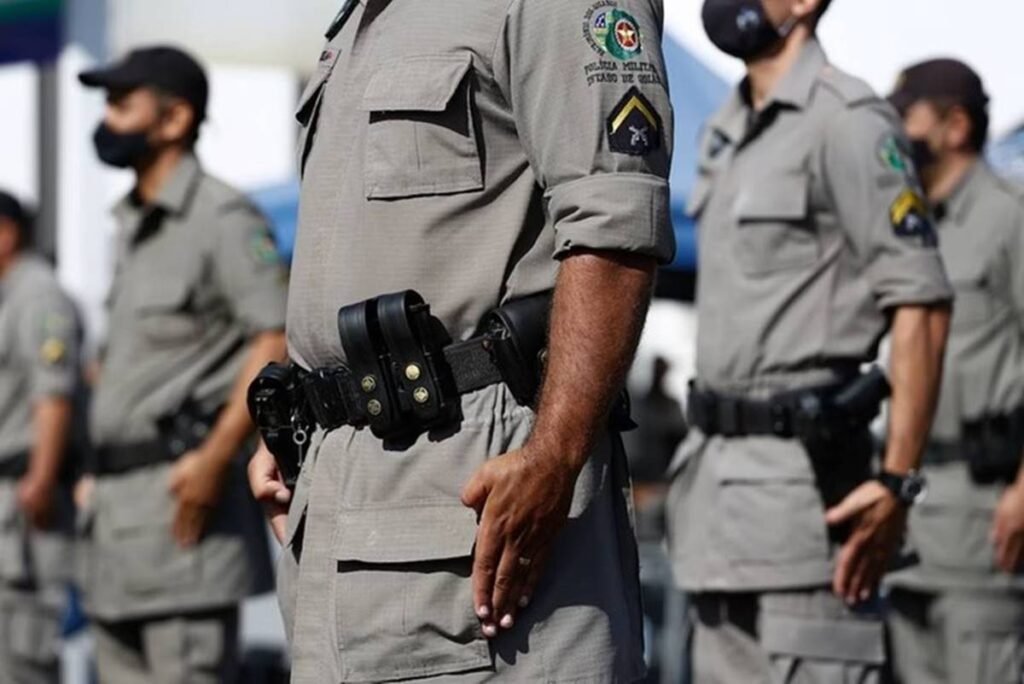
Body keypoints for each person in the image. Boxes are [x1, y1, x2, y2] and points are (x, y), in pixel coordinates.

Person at [247, 0, 674, 681]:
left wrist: (555, 458)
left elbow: (614, 226)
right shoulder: (361, 19)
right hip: (343, 500)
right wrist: (303, 419)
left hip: (475, 499)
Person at [665, 0, 954, 680]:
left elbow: (921, 303)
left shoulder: (849, 119)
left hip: (806, 499)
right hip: (714, 501)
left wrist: (897, 482)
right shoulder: (725, 128)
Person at [76, 46, 288, 682]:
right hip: (117, 523)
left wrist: (215, 458)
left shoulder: (221, 219)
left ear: (173, 119)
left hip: (183, 515)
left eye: (122, 104)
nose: (107, 119)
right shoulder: (134, 224)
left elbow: (273, 339)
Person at [884, 58, 1024, 684]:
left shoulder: (1010, 215)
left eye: (907, 115)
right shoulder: (913, 226)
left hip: (984, 518)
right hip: (914, 518)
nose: (896, 133)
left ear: (955, 125)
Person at [0, 191, 81, 683]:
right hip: (10, 503)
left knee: (20, 659)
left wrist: (41, 481)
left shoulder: (37, 294)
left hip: (23, 505)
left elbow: (53, 394)